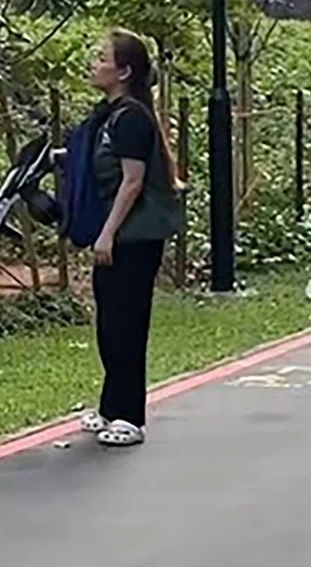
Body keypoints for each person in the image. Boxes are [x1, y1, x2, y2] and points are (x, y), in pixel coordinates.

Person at [80, 29, 183, 448]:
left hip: (135, 235)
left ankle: (129, 414)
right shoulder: (110, 114)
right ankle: (110, 405)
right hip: (119, 231)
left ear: (123, 71)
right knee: (109, 320)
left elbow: (133, 181)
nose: (94, 63)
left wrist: (107, 235)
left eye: (102, 57)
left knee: (126, 322)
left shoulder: (133, 117)